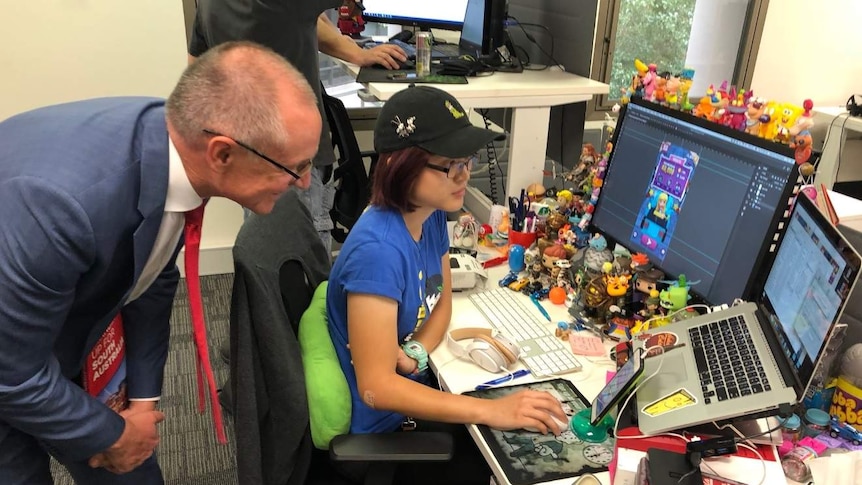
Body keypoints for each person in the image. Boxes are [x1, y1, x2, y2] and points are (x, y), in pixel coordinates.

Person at [0, 41, 321, 484]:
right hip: (11, 363)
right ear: (223, 153)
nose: (304, 183)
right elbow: (12, 378)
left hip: (74, 323)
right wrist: (110, 435)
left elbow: (150, 281)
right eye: (296, 167)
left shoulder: (171, 144)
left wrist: (142, 403)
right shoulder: (61, 206)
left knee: (133, 464)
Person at [326, 86, 567, 484]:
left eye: (467, 160)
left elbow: (441, 302)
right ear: (402, 166)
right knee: (515, 452)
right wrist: (491, 410)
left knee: (528, 425)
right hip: (385, 433)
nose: (464, 174)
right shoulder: (379, 252)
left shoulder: (431, 213)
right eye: (450, 164)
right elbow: (377, 387)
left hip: (414, 392)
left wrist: (417, 352)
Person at [188, 1, 407, 253]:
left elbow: (197, 71)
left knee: (266, 255)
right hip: (294, 161)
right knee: (304, 266)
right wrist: (358, 52)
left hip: (246, 152)